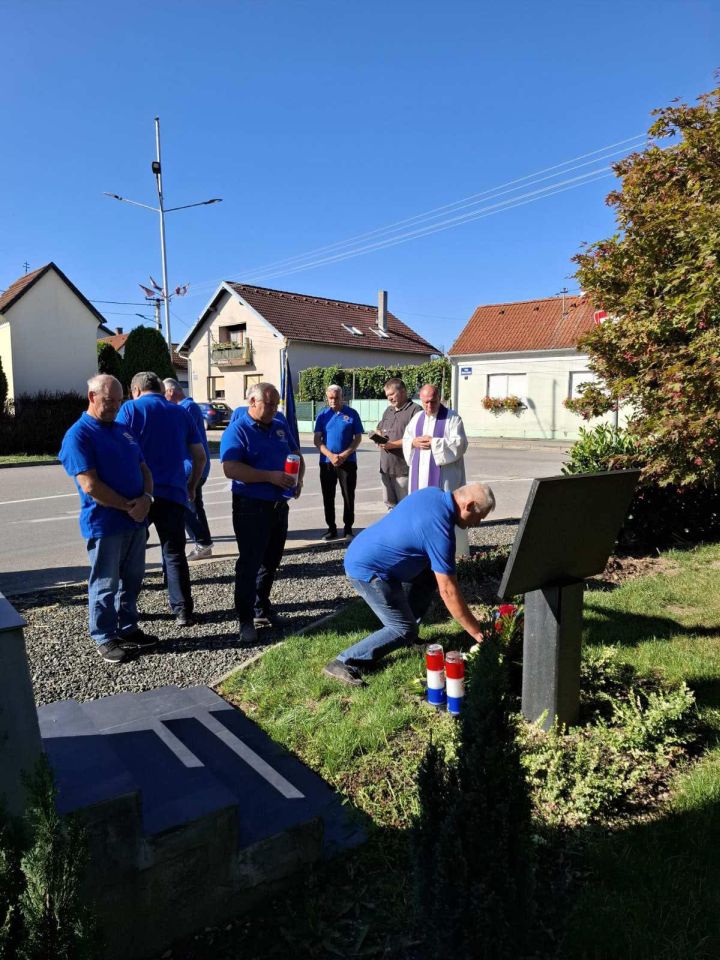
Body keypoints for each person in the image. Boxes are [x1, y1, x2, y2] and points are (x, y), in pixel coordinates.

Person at [323, 483, 495, 686]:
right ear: (469, 505)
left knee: (430, 575)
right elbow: (448, 591)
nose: (477, 524)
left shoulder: (433, 493)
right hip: (368, 570)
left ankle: (408, 637)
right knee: (402, 629)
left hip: (369, 552)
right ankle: (344, 661)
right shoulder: (439, 530)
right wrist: (477, 633)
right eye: (479, 517)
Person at [59, 374, 156, 664]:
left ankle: (128, 627)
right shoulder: (79, 434)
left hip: (136, 521)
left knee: (133, 579)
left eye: (119, 400)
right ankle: (104, 636)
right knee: (105, 583)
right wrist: (130, 507)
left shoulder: (123, 431)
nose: (115, 406)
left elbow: (145, 470)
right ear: (92, 397)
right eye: (108, 401)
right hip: (106, 524)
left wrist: (147, 500)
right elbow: (90, 485)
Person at [116, 371, 206, 627]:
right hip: (173, 493)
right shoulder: (181, 413)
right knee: (174, 553)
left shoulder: (130, 410)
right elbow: (199, 456)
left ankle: (127, 611)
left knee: (131, 555)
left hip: (138, 496)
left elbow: (120, 451)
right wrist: (192, 486)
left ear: (135, 390)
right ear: (159, 388)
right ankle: (183, 611)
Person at [220, 382, 305, 643]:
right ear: (252, 402)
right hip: (251, 507)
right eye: (268, 403)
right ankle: (245, 619)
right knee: (249, 564)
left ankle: (261, 608)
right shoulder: (238, 430)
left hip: (279, 506)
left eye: (276, 404)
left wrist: (298, 479)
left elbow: (295, 452)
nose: (273, 409)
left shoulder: (279, 425)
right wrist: (269, 477)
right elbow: (231, 468)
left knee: (271, 562)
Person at [402, 382, 471, 556]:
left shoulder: (452, 418)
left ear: (439, 398)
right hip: (419, 478)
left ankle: (454, 554)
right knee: (420, 511)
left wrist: (434, 442)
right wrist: (412, 442)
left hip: (445, 480)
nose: (429, 406)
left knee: (446, 512)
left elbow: (460, 444)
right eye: (425, 402)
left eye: (432, 401)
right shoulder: (417, 418)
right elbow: (406, 438)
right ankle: (422, 551)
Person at [163, 378, 213, 560]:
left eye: (163, 394)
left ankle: (203, 542)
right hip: (192, 465)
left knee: (185, 506)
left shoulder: (186, 408)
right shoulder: (187, 407)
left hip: (192, 466)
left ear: (170, 392)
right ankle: (203, 542)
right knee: (193, 505)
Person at [313, 385, 364, 541]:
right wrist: (331, 455)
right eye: (330, 398)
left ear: (342, 397)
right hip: (327, 463)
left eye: (336, 397)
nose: (333, 400)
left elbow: (358, 438)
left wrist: (344, 454)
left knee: (348, 496)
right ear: (327, 398)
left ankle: (348, 528)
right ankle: (331, 528)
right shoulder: (322, 415)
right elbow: (317, 440)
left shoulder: (352, 413)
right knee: (328, 496)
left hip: (347, 462)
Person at [370, 377, 421, 509]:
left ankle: (406, 529)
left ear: (403, 391)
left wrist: (391, 445)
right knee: (390, 506)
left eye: (392, 394)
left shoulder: (415, 410)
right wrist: (378, 436)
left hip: (403, 469)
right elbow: (380, 427)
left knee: (406, 506)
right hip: (386, 467)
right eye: (387, 395)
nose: (389, 398)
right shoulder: (389, 410)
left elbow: (415, 439)